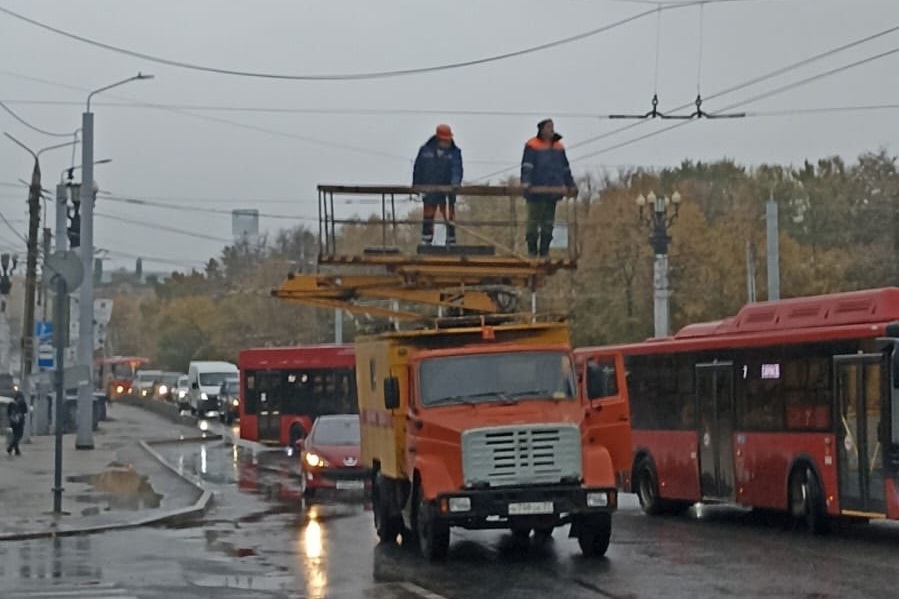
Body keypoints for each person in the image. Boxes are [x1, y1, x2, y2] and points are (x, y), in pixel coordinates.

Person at [520, 119, 578, 257]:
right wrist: (526, 183)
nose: (552, 129)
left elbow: (565, 169)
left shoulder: (558, 147)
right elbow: (527, 166)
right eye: (548, 127)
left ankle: (544, 251)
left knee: (548, 225)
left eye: (552, 127)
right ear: (541, 130)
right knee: (532, 225)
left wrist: (570, 185)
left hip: (552, 193)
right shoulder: (532, 145)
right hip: (535, 194)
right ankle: (532, 251)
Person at [413, 124, 463, 246]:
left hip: (448, 191)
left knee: (449, 215)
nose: (447, 142)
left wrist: (455, 183)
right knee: (428, 214)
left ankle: (451, 241)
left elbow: (457, 169)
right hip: (429, 190)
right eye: (445, 140)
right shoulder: (425, 151)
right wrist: (416, 185)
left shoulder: (455, 152)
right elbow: (418, 168)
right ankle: (426, 240)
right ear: (439, 139)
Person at [6, 390, 27, 456]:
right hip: (19, 422)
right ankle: (10, 447)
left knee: (16, 435)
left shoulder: (11, 404)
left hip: (13, 422)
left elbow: (8, 413)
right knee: (19, 435)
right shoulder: (22, 403)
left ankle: (17, 451)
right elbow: (25, 411)